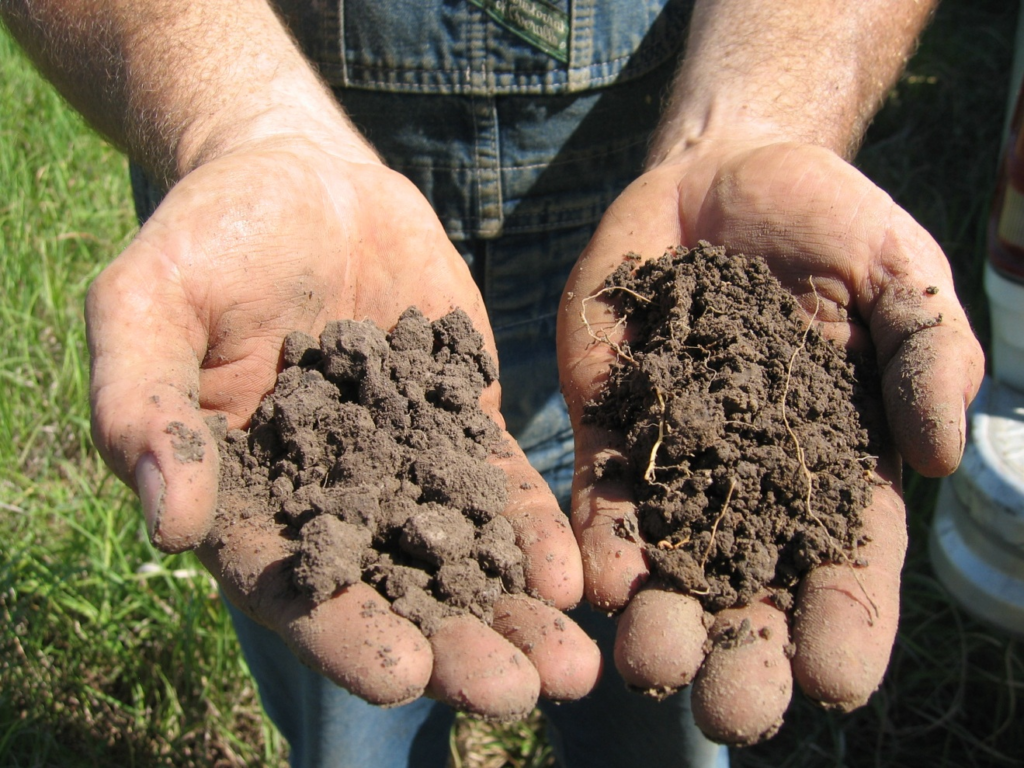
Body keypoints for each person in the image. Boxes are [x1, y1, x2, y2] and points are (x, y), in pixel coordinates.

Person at [1, 0, 985, 765]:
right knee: (356, 683)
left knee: (675, 692)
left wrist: (763, 115)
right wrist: (238, 121)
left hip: (658, 188)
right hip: (284, 241)